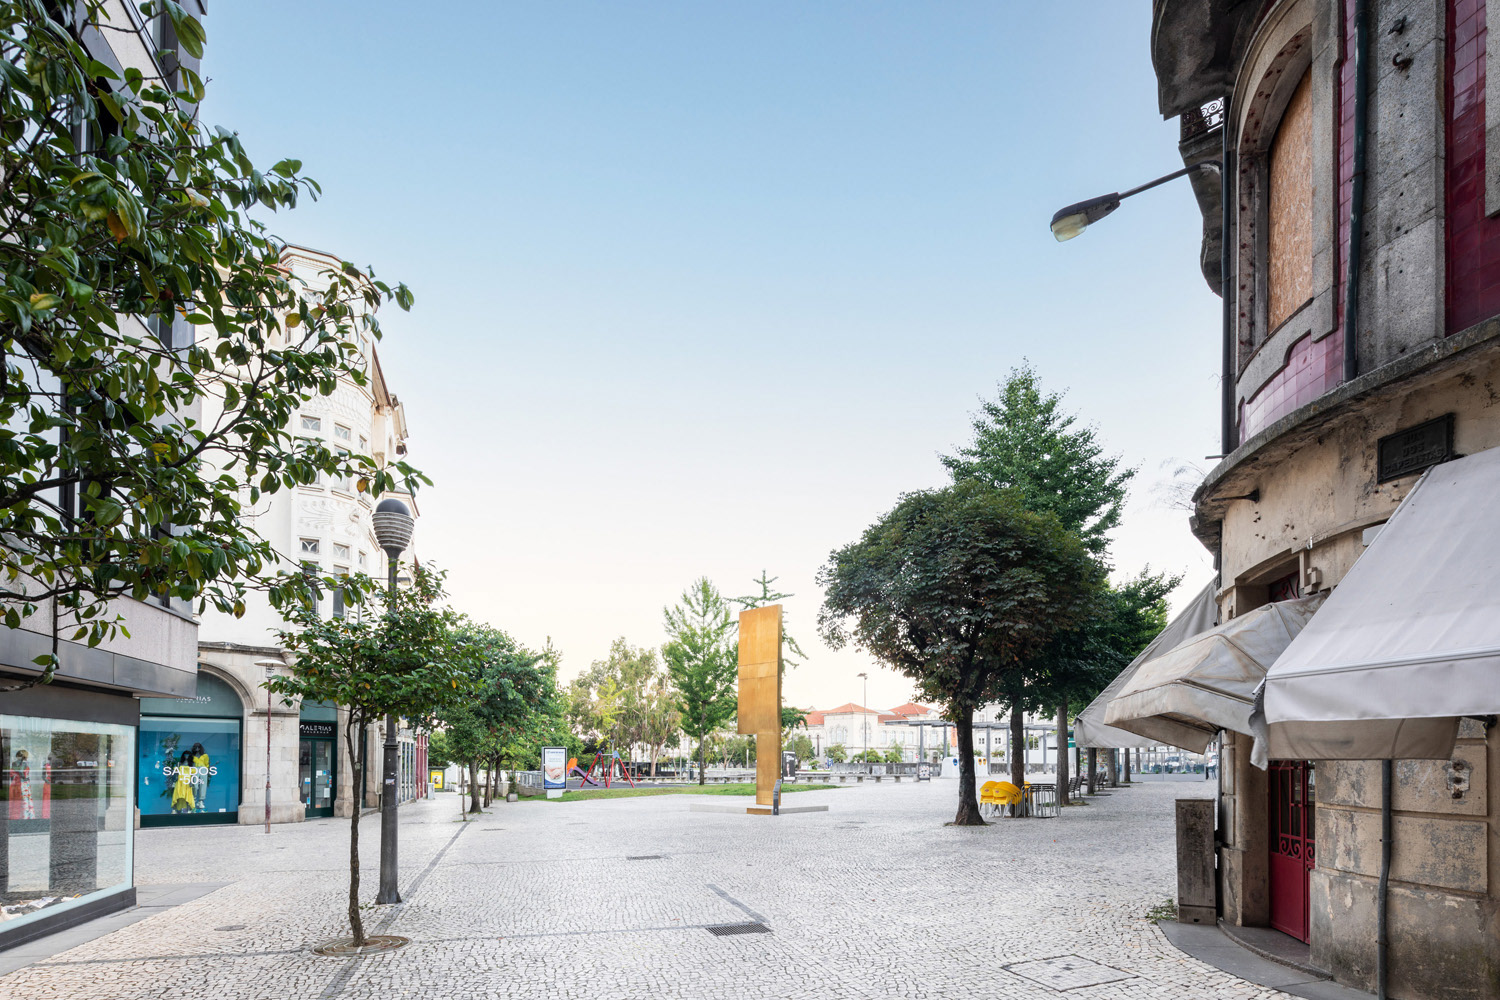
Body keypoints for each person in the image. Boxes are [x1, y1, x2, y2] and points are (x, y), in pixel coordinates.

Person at [10, 749, 35, 820]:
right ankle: (25, 816)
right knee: (25, 799)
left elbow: (12, 775)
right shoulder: (24, 763)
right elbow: (21, 772)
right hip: (23, 783)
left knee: (16, 799)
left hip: (16, 783)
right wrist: (25, 778)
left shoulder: (14, 763)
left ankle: (16, 816)